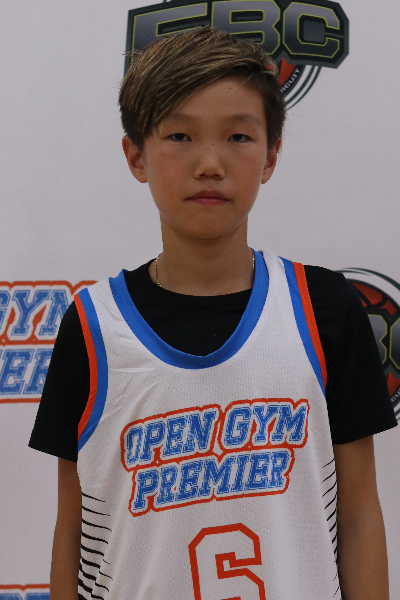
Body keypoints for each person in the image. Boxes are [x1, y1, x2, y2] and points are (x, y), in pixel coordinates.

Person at [29, 26, 397, 600]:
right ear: (136, 156)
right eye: (179, 135)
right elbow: (72, 531)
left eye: (238, 136)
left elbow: (358, 517)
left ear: (271, 155)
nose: (209, 163)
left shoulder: (324, 309)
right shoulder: (94, 325)